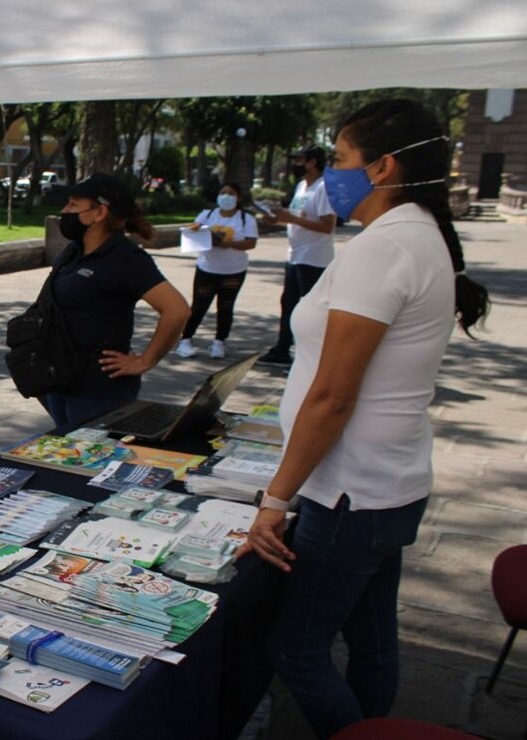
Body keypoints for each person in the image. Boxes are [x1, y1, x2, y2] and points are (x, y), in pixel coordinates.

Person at [239, 99, 490, 738]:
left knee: (295, 649)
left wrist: (276, 498)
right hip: (386, 482)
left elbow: (333, 396)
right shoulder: (412, 234)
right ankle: (371, 724)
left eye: (343, 160)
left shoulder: (387, 246)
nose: (333, 177)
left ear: (381, 168)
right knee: (373, 641)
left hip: (349, 491)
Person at [39, 173, 190, 427]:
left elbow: (177, 310)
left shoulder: (126, 258)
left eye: (74, 205)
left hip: (98, 390)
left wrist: (145, 360)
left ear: (100, 212)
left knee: (93, 459)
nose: (65, 211)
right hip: (61, 380)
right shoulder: (74, 250)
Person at [257, 145, 337, 366]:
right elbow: (298, 216)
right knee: (289, 303)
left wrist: (291, 220)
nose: (295, 164)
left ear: (312, 162)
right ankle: (283, 348)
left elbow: (327, 226)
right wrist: (278, 219)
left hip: (314, 257)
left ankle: (315, 352)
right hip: (295, 255)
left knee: (312, 307)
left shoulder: (324, 188)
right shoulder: (302, 186)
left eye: (300, 160)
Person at [175, 182, 258, 359]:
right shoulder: (207, 215)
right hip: (207, 268)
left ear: (239, 198)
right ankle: (185, 340)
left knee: (226, 307)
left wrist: (229, 244)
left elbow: (251, 243)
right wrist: (195, 229)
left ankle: (219, 343)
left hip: (233, 270)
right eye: (223, 193)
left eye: (231, 193)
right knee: (199, 305)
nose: (226, 197)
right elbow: (195, 230)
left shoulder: (246, 219)